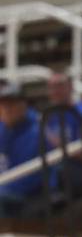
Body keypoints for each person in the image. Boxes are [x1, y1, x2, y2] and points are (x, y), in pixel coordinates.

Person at [0, 82, 49, 218]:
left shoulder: (37, 132)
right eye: (3, 105)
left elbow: (30, 179)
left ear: (23, 105)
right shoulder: (2, 129)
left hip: (30, 195)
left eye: (11, 104)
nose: (6, 109)